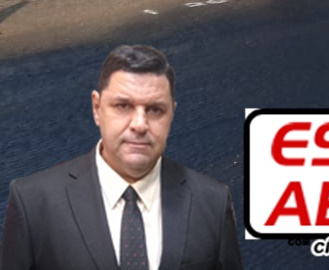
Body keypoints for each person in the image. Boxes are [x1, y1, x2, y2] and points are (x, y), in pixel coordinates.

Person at [1, 45, 243, 269]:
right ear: (97, 108)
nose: (139, 124)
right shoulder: (33, 203)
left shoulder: (213, 201)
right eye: (123, 106)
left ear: (172, 113)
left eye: (155, 109)